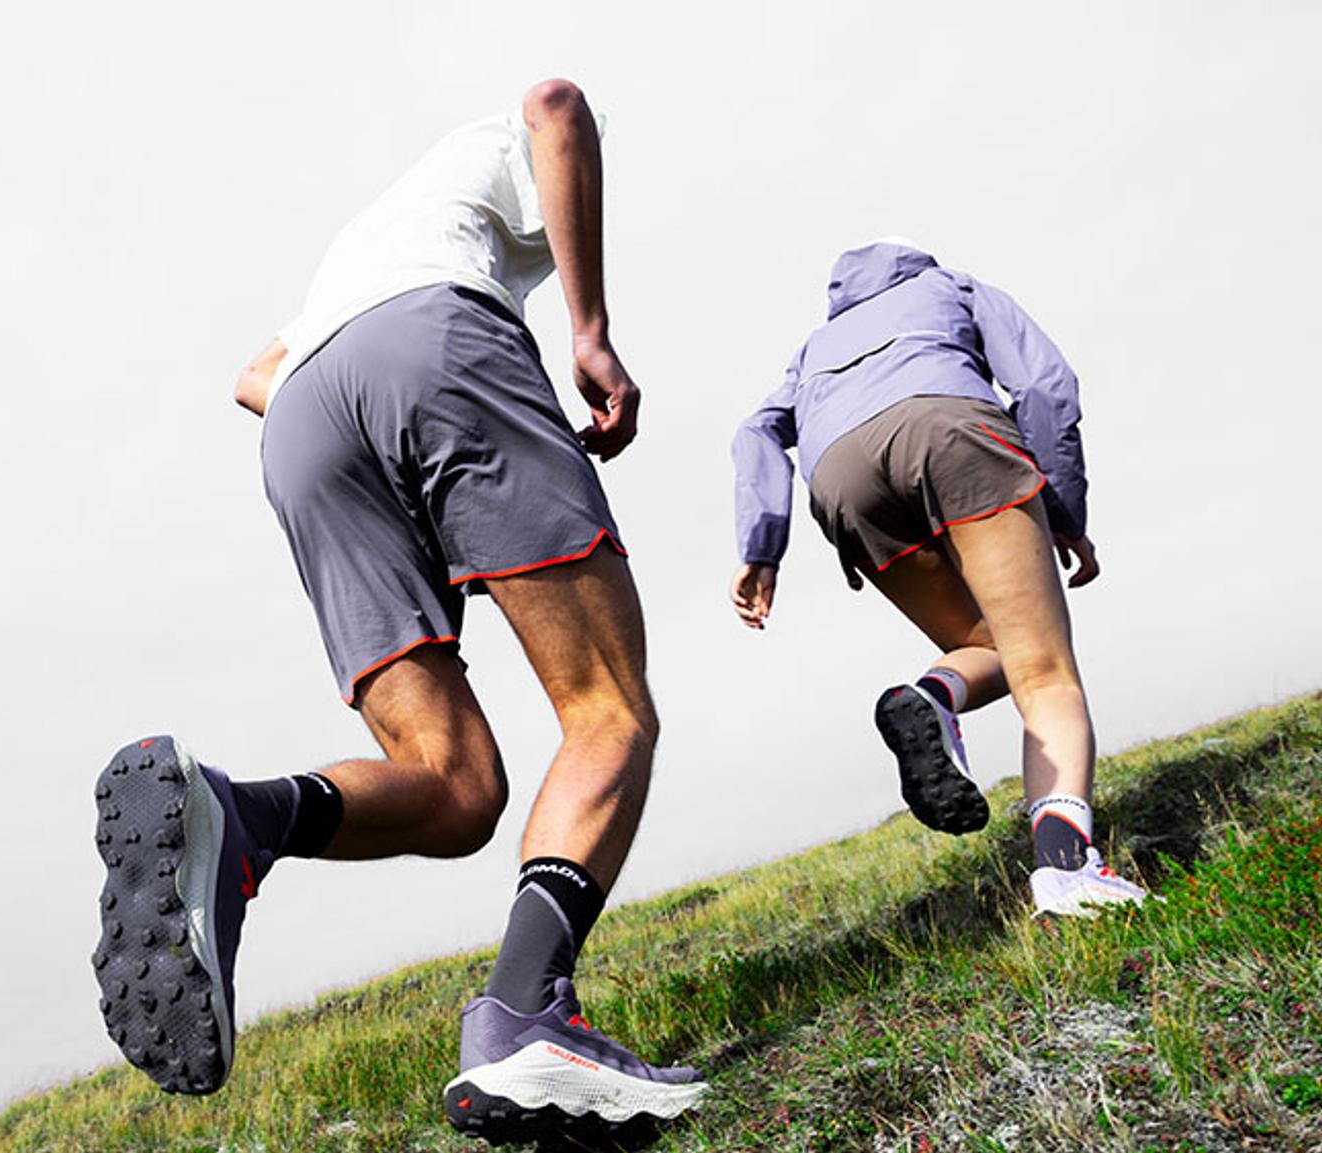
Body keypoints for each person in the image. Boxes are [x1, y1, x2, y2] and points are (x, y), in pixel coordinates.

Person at [90, 80, 706, 1141]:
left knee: (454, 787)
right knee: (606, 708)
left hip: (300, 428)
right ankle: (525, 1018)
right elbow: (557, 105)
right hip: (438, 349)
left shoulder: (359, 247)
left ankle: (239, 818)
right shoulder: (484, 156)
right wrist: (589, 331)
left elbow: (253, 377)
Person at [728, 238, 1149, 917]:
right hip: (949, 432)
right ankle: (1068, 872)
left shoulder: (813, 352)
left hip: (841, 478)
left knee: (995, 647)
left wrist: (761, 545)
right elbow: (1044, 385)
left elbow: (757, 430)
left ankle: (931, 696)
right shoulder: (951, 287)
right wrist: (1065, 511)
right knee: (1044, 673)